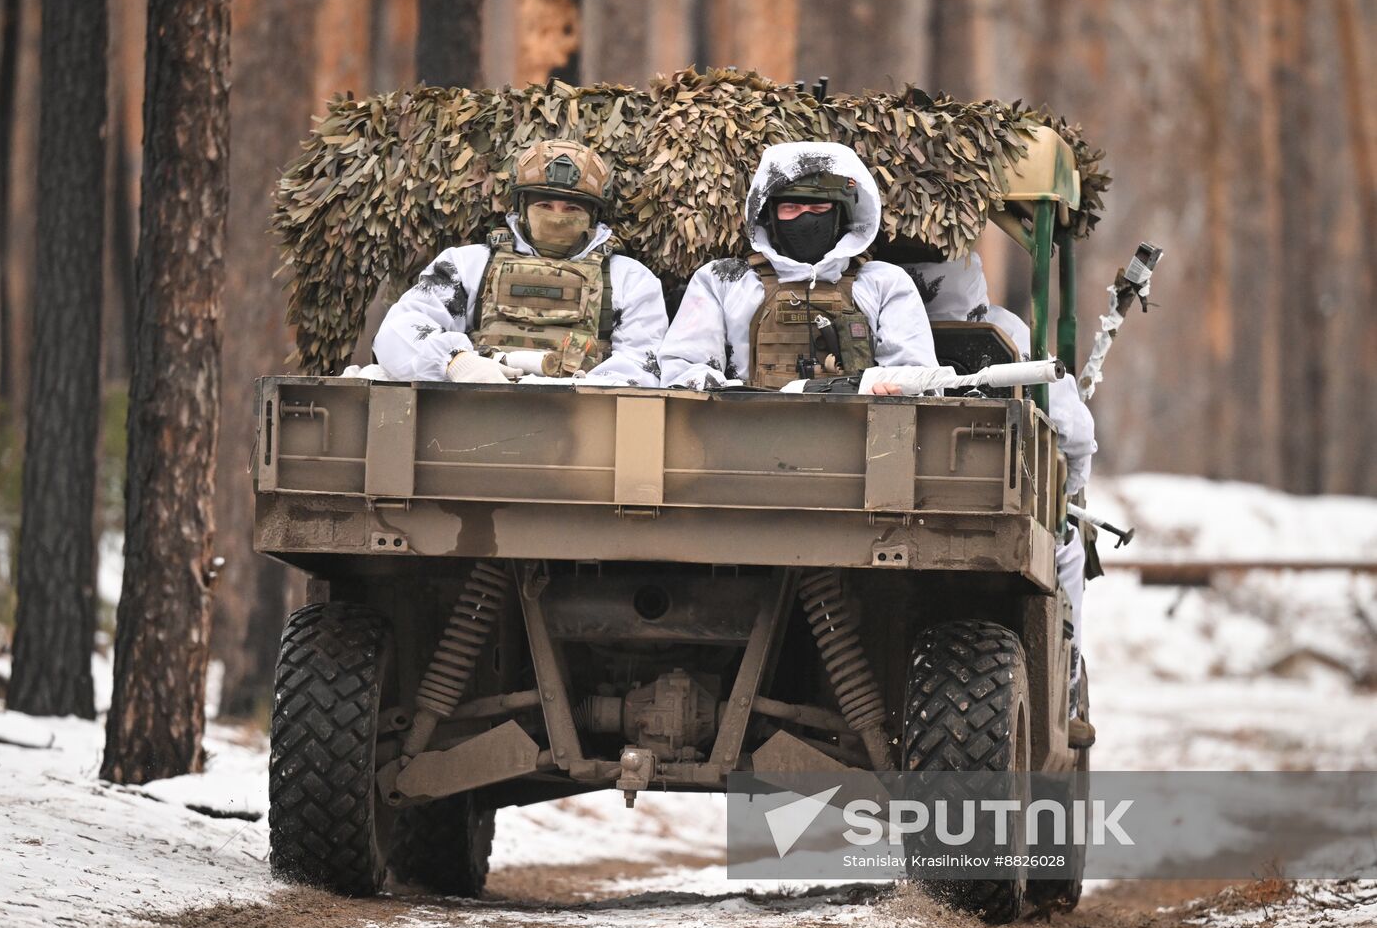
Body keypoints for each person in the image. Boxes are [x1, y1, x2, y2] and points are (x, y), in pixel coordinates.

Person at [908, 253, 1097, 745]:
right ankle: (1068, 684)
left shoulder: (869, 302)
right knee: (1069, 549)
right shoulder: (1003, 330)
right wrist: (1069, 485)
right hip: (989, 504)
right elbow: (1074, 431)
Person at [373, 139, 668, 386]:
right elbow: (398, 332)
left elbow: (641, 368)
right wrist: (457, 363)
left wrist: (558, 386)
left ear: (593, 216)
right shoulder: (467, 265)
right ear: (522, 208)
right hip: (473, 412)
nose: (556, 215)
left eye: (571, 207)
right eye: (544, 205)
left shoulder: (629, 280)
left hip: (581, 420)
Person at [658, 141, 938, 391]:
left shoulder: (883, 284)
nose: (805, 220)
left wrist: (892, 388)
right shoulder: (724, 282)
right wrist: (735, 395)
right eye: (791, 208)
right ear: (770, 216)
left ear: (840, 216)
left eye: (818, 210)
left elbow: (919, 375)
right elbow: (682, 370)